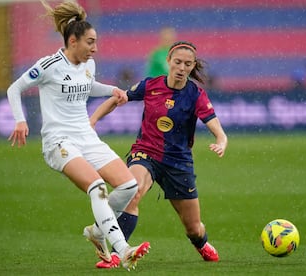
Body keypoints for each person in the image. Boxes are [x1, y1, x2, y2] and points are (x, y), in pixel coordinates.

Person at [6, 0, 150, 270]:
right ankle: (123, 248)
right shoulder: (48, 65)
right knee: (97, 188)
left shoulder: (89, 64)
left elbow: (87, 85)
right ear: (73, 41)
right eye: (90, 42)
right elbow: (15, 88)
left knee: (129, 186)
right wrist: (20, 121)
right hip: (58, 142)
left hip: (86, 137)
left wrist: (111, 91)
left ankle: (97, 231)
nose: (95, 48)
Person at [90, 41, 228, 268]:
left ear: (192, 66)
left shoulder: (196, 94)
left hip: (178, 163)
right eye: (178, 62)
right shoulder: (150, 85)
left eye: (187, 64)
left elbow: (215, 127)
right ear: (169, 62)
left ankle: (200, 243)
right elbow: (119, 98)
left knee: (193, 228)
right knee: (132, 191)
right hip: (146, 153)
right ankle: (117, 253)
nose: (182, 68)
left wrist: (221, 141)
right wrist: (93, 120)